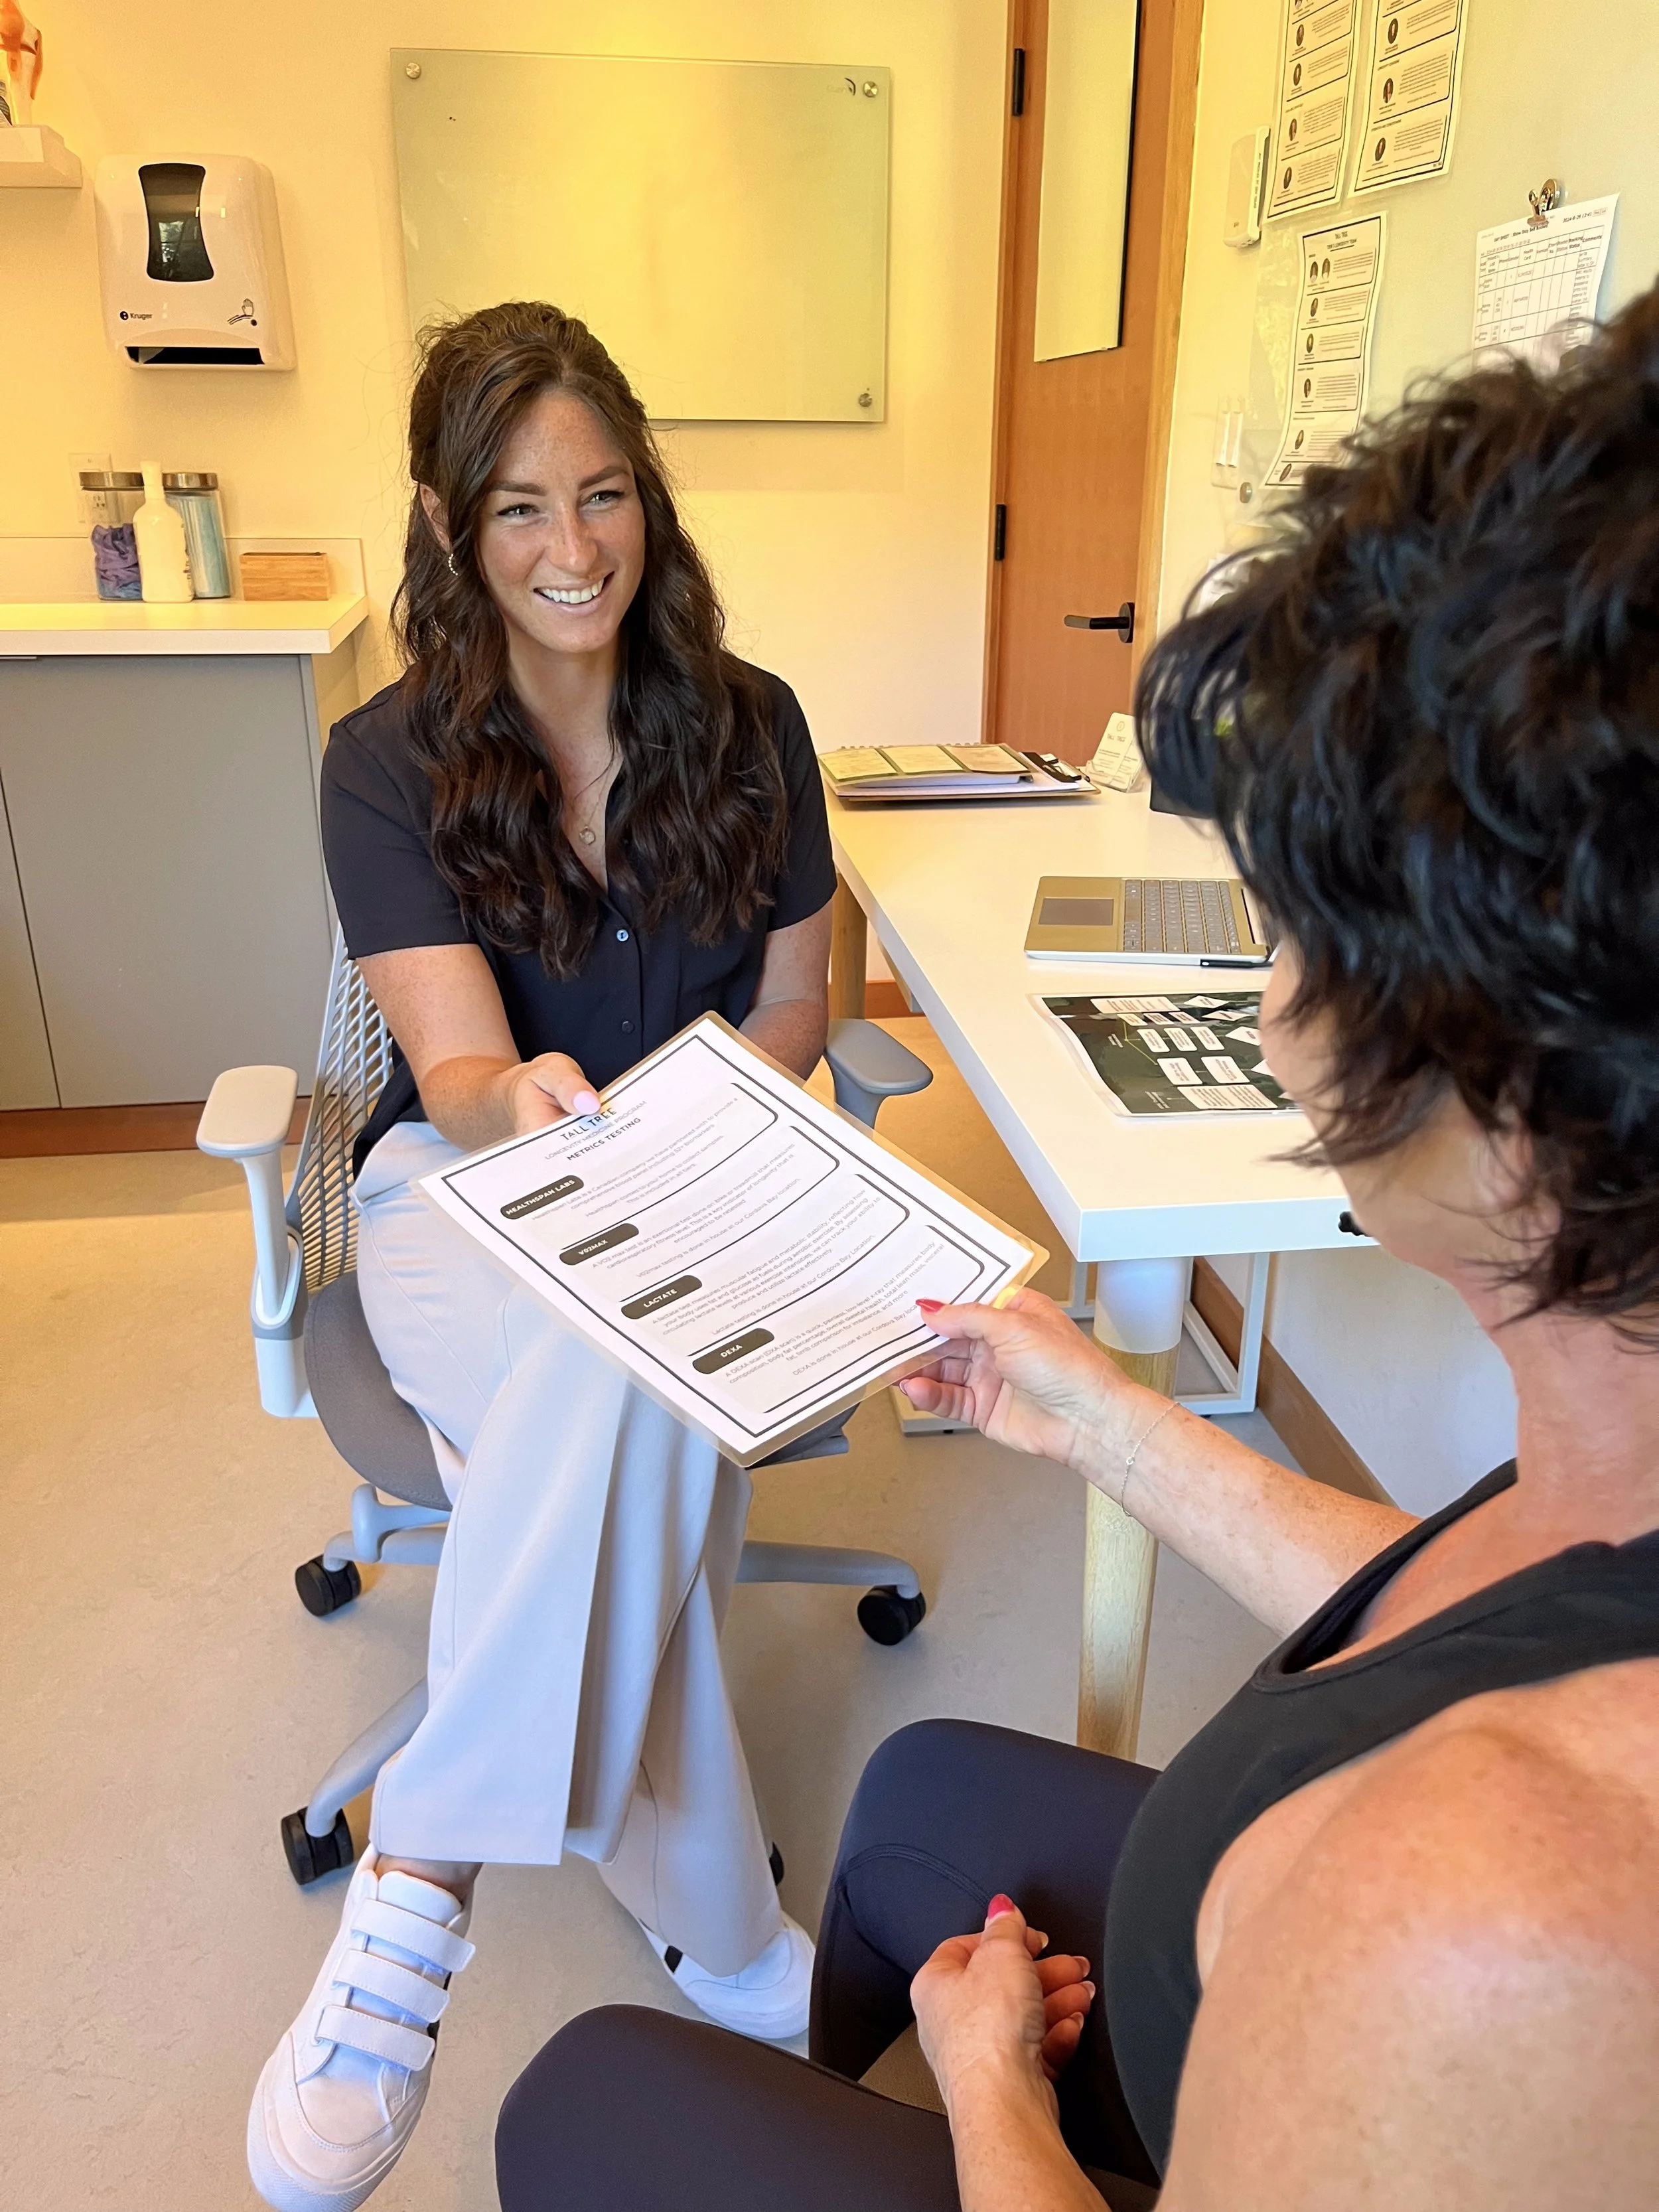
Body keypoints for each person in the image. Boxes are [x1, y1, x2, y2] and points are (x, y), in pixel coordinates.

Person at [492, 291, 1659, 2207]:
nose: (1273, 1011)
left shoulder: (1462, 1920)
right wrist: (1106, 1415)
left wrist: (990, 2101)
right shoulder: (1598, 1485)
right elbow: (1484, 1610)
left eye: (1281, 929)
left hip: (1141, 2087)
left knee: (587, 2097)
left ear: (1498, 1071)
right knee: (923, 1796)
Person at [247, 302, 837, 2212]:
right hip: (469, 1195)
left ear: (644, 493)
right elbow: (458, 1066)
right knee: (623, 1371)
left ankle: (422, 1876)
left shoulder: (750, 723)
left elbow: (804, 995)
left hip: (693, 1198)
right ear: (449, 523)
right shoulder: (382, 758)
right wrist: (533, 1112)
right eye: (518, 510)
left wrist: (711, 1132)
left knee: (621, 1360)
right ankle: (726, 1929)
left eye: (601, 497)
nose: (573, 551)